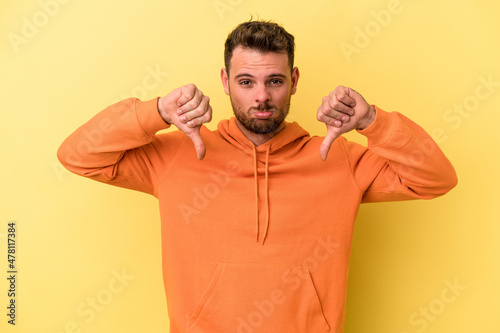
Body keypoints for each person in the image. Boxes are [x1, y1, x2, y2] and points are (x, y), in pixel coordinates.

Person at [58, 20, 457, 333]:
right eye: (246, 82)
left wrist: (371, 120)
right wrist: (158, 112)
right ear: (226, 82)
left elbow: (436, 178)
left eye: (275, 81)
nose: (261, 97)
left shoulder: (339, 160)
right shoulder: (175, 157)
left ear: (294, 81)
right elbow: (78, 155)